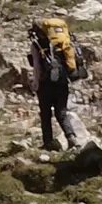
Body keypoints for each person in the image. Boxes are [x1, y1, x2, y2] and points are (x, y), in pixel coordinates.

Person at [28, 13, 83, 149]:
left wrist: (35, 82)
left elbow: (37, 66)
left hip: (45, 83)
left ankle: (48, 143)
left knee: (45, 114)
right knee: (61, 112)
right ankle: (72, 138)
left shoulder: (36, 44)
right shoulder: (62, 42)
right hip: (62, 82)